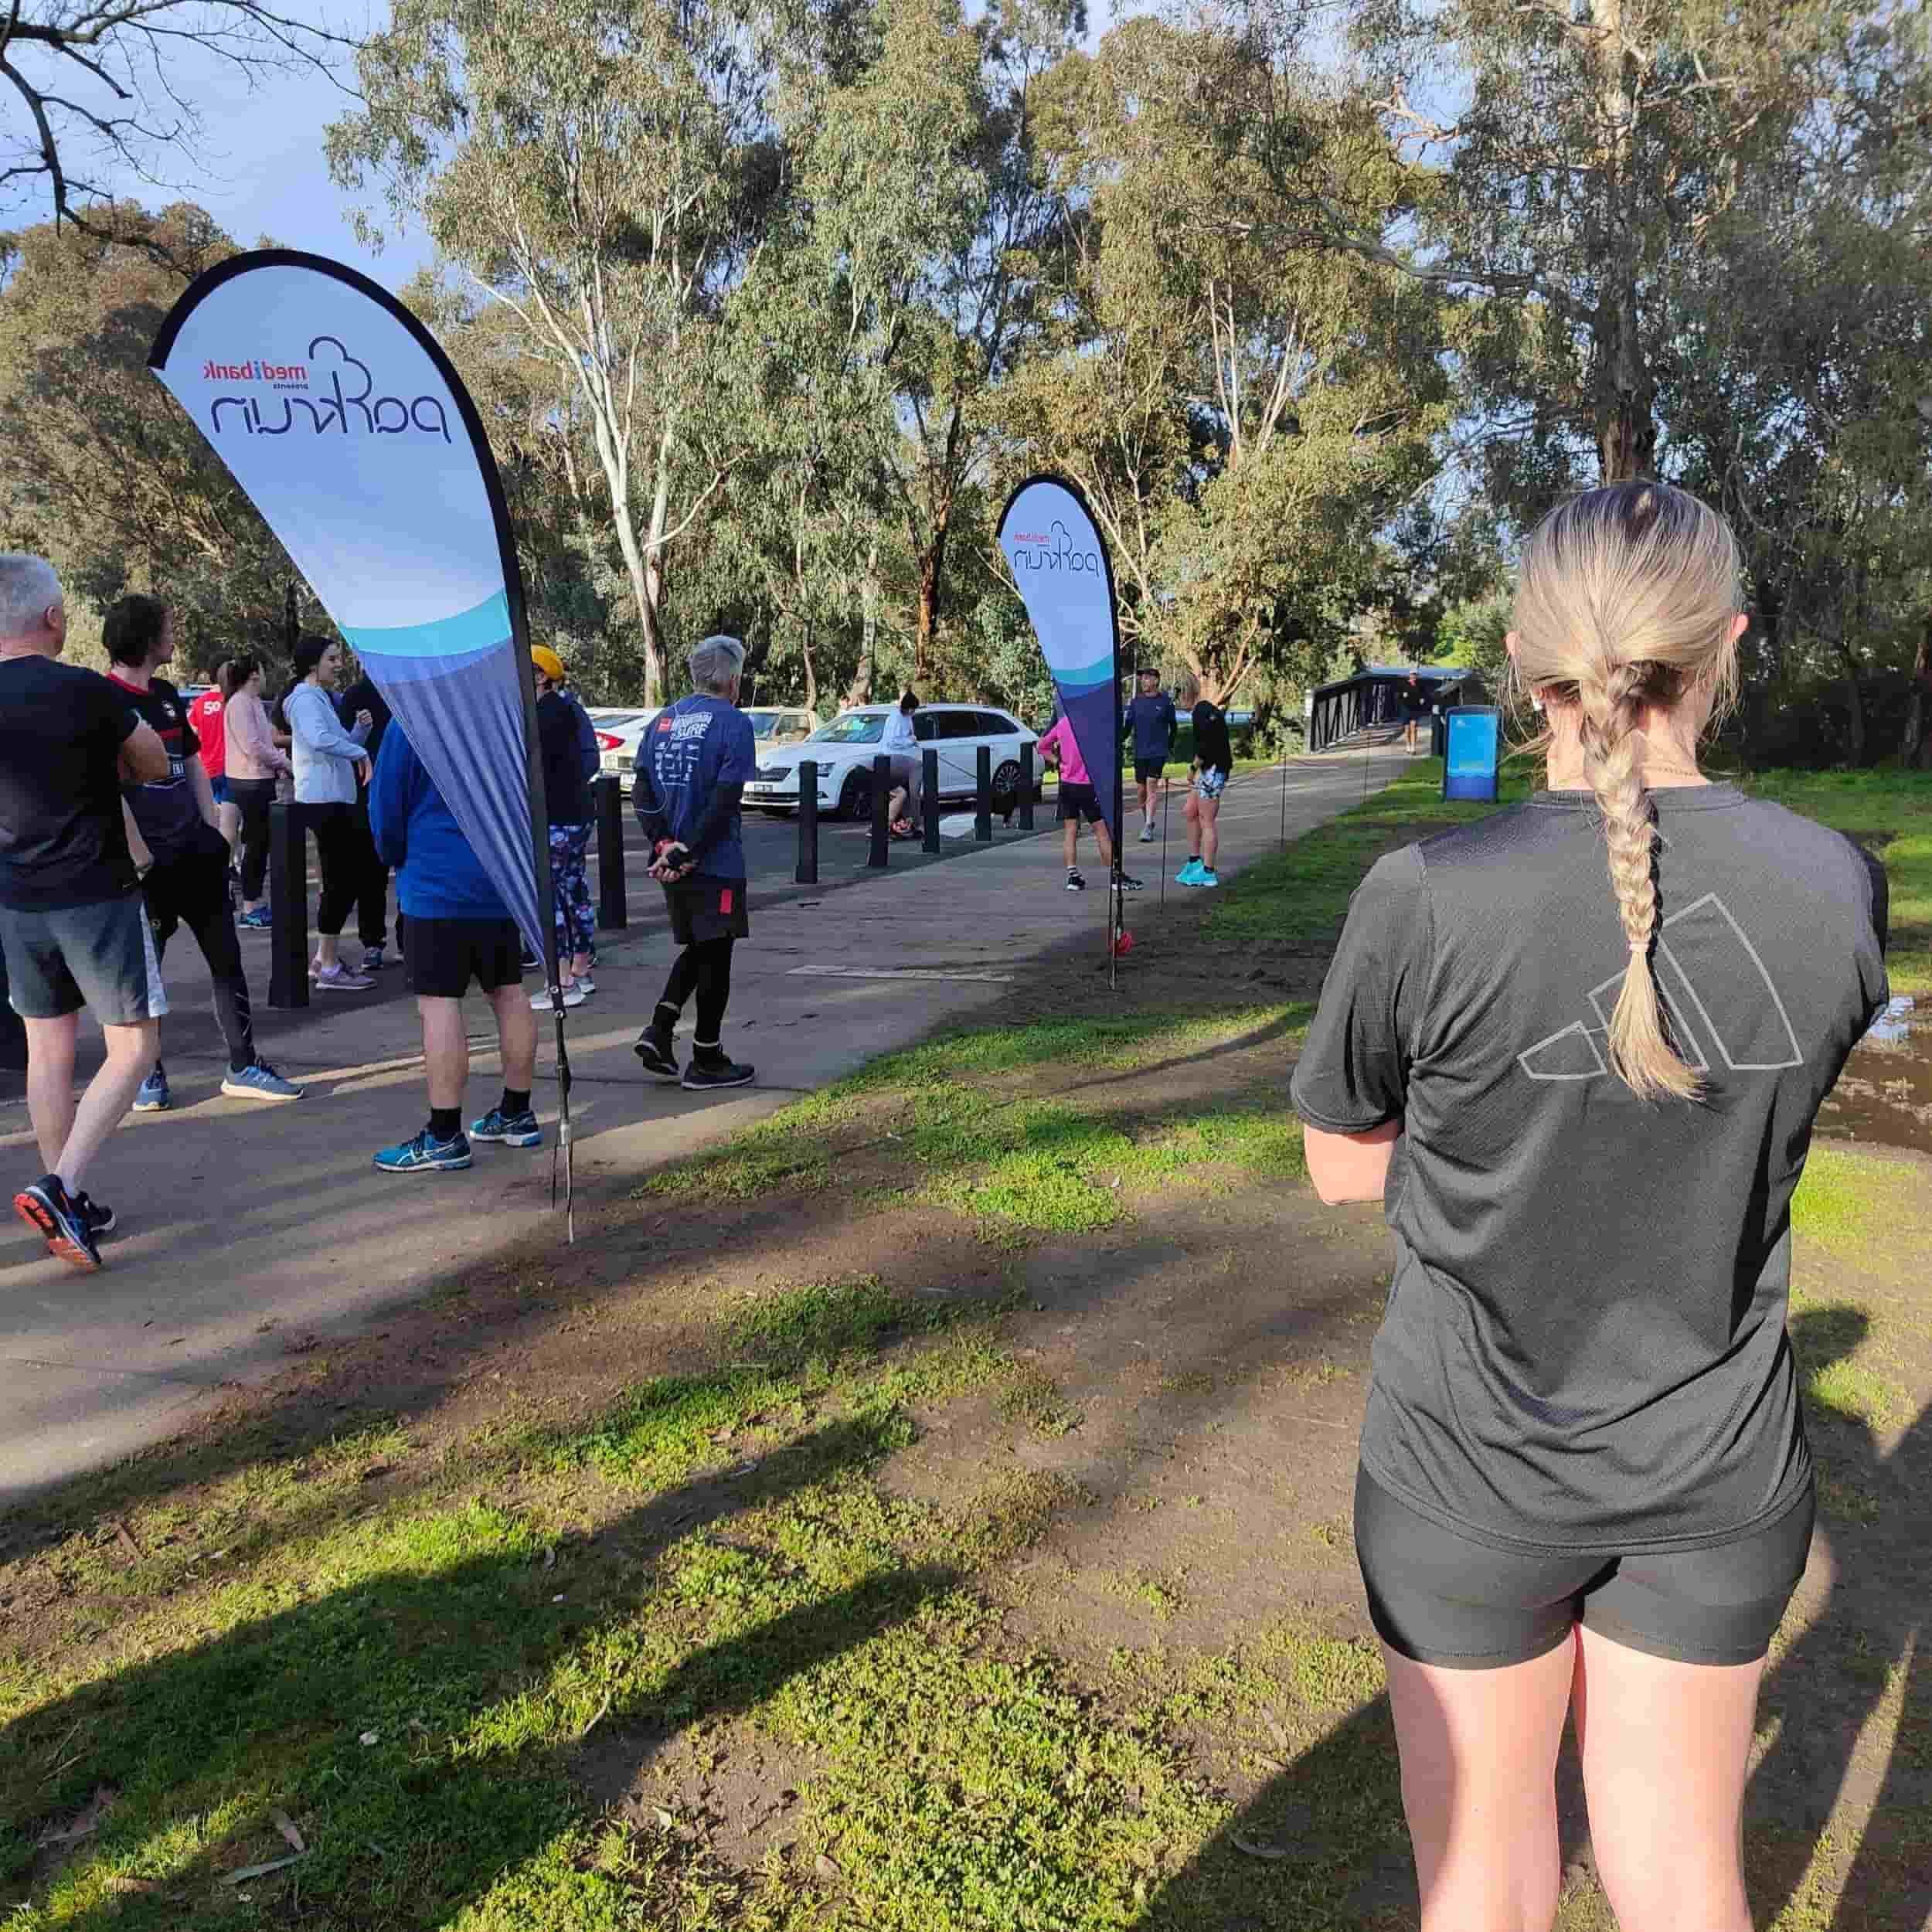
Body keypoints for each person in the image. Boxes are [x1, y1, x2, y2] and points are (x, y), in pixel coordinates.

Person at [1289, 481, 1889, 1932]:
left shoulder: (1427, 895)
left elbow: (1341, 1162)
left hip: (1466, 1470)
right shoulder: (1836, 888)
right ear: (1728, 644)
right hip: (1717, 1478)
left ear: (1523, 655)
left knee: (1484, 1883)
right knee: (1684, 1884)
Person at [0, 555, 170, 1268]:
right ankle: (63, 1185)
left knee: (49, 1053)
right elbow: (156, 762)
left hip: (18, 900)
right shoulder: (83, 691)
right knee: (134, 1048)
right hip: (94, 893)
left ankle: (65, 1200)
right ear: (51, 618)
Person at [102, 596, 301, 1109]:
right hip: (146, 869)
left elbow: (191, 761)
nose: (174, 635)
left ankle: (243, 1065)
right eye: (168, 628)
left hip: (197, 855)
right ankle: (148, 1075)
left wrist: (214, 831)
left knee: (226, 960)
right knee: (145, 974)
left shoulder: (168, 695)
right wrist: (140, 854)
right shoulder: (102, 701)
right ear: (147, 639)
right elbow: (103, 788)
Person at [367, 719, 542, 1172]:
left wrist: (392, 855)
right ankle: (517, 1111)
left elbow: (386, 807)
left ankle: (445, 1134)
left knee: (439, 1002)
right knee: (507, 989)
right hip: (497, 877)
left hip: (435, 881)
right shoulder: (500, 714)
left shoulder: (411, 718)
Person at [631, 634, 758, 1090]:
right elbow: (726, 798)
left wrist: (663, 843)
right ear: (733, 679)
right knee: (716, 952)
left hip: (672, 863)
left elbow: (641, 789)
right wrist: (689, 850)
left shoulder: (663, 720)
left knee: (702, 947)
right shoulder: (734, 724)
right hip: (714, 860)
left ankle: (660, 1032)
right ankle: (705, 1056)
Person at [285, 637, 379, 992]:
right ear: (313, 664)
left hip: (337, 798)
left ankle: (326, 959)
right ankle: (326, 964)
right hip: (324, 801)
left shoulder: (319, 698)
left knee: (345, 880)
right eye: (332, 659)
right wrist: (359, 752)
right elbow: (321, 739)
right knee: (342, 880)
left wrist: (362, 733)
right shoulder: (306, 699)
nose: (339, 665)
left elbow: (339, 743)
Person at [530, 644, 599, 1007]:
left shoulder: (541, 716)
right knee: (574, 891)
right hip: (578, 813)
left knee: (551, 896)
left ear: (541, 676)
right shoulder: (569, 709)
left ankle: (560, 983)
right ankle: (580, 970)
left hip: (554, 817)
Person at [1035, 712, 1141, 894]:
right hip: (1088, 786)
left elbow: (1042, 746)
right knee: (1101, 831)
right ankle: (1115, 877)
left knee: (1070, 830)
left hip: (1067, 785)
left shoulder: (1063, 723)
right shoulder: (1095, 725)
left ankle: (1073, 877)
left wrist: (1057, 762)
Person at [335, 661, 397, 970]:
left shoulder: (402, 691)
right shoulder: (356, 695)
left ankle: (385, 940)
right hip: (367, 785)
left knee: (383, 869)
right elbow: (345, 743)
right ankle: (375, 941)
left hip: (390, 785)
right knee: (373, 870)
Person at [223, 656, 291, 930]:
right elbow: (254, 746)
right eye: (262, 671)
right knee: (255, 844)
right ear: (253, 675)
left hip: (259, 779)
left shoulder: (251, 702)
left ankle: (255, 901)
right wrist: (285, 762)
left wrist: (279, 763)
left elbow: (264, 743)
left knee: (260, 843)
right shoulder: (240, 703)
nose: (265, 677)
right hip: (249, 781)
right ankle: (250, 906)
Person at [1175, 675, 1232, 888]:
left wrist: (1192, 769)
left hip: (1214, 770)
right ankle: (1194, 860)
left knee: (1206, 819)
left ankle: (1208, 871)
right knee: (1190, 811)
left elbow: (1205, 746)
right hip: (1209, 768)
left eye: (1179, 695)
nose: (1178, 701)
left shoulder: (1201, 712)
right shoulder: (1204, 710)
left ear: (1187, 694)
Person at [1122, 666, 1179, 842]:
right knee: (1141, 791)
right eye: (1142, 679)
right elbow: (1128, 727)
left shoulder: (1166, 702)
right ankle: (1148, 819)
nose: (1143, 681)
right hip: (1140, 751)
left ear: (1155, 681)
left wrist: (1168, 746)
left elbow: (1174, 726)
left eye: (1146, 678)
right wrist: (1117, 741)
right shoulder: (1135, 702)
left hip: (1158, 751)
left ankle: (1147, 826)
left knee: (1152, 784)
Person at [185, 665, 237, 852]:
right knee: (230, 824)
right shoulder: (232, 701)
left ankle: (222, 864)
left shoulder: (199, 703)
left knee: (214, 822)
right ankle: (230, 865)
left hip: (205, 771)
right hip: (230, 770)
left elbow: (191, 736)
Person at [883, 689, 923, 838]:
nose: (914, 712)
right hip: (898, 758)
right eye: (913, 709)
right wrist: (910, 741)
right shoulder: (897, 718)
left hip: (905, 757)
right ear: (909, 708)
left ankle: (904, 822)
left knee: (903, 793)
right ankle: (916, 823)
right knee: (913, 793)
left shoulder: (906, 717)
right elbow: (893, 741)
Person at [1402, 668, 1428, 753]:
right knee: (1407, 729)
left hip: (1415, 709)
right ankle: (1408, 745)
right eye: (1412, 675)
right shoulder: (1404, 684)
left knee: (1414, 727)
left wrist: (1422, 699)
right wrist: (1403, 696)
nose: (1414, 676)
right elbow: (1399, 696)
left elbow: (1424, 695)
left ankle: (1413, 747)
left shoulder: (1420, 685)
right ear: (1409, 675)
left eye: (1415, 675)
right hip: (1406, 709)